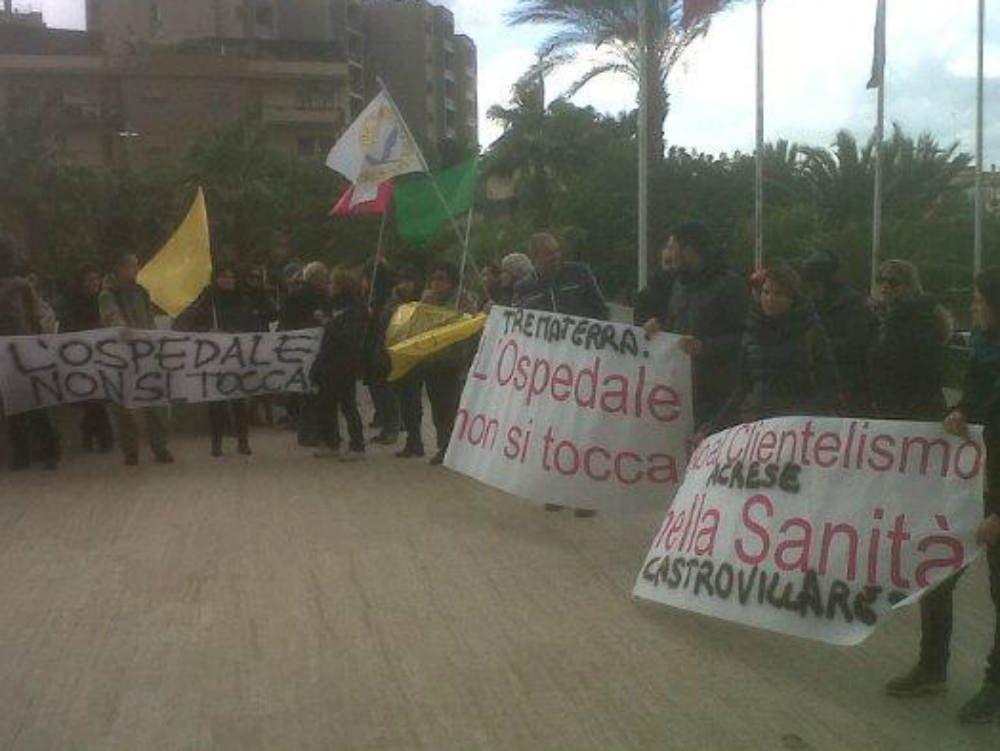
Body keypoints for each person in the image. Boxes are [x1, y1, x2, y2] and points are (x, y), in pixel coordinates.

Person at [922, 266, 1000, 724]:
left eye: (979, 299)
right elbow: (972, 398)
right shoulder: (984, 347)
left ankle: (995, 684)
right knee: (936, 571)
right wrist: (959, 411)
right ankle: (932, 665)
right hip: (974, 482)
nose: (972, 307)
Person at [706, 264, 839, 433]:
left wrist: (803, 418)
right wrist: (712, 427)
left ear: (793, 298)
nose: (770, 300)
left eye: (778, 294)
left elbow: (829, 384)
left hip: (796, 429)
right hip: (756, 427)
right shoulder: (751, 331)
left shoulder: (810, 331)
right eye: (766, 292)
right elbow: (742, 387)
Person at [658, 221, 750, 428]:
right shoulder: (679, 285)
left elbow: (748, 337)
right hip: (681, 395)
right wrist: (657, 333)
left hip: (719, 400)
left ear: (689, 250)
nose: (668, 253)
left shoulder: (728, 285)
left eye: (673, 247)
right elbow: (675, 331)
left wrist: (705, 348)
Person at [175, 261, 258, 457]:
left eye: (231, 277)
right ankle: (217, 442)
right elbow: (186, 324)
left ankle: (242, 441)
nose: (228, 280)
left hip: (238, 357)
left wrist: (242, 332)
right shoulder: (207, 300)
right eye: (224, 276)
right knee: (216, 403)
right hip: (215, 359)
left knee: (239, 401)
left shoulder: (243, 299)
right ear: (216, 279)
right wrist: (208, 331)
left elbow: (253, 324)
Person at [98, 252, 174, 466]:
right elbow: (111, 317)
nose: (135, 271)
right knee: (125, 407)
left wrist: (152, 340)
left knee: (156, 404)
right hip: (122, 356)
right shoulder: (108, 294)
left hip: (146, 354)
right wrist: (123, 329)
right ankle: (130, 451)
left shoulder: (142, 292)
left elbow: (149, 320)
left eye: (136, 266)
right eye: (130, 267)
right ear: (119, 269)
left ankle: (160, 446)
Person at [398, 261, 477, 466]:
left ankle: (452, 448)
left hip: (452, 360)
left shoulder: (463, 300)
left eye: (441, 279)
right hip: (432, 360)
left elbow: (465, 327)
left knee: (449, 406)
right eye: (433, 278)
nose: (436, 283)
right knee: (437, 408)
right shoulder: (428, 300)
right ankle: (444, 445)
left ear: (451, 281)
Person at [0, 242, 61, 471]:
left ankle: (42, 452)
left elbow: (39, 314)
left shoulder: (21, 287)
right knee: (18, 406)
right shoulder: (21, 286)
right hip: (15, 350)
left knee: (30, 404)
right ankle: (31, 453)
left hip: (23, 348)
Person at [869, 259, 951, 421]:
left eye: (892, 282)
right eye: (880, 280)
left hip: (913, 412)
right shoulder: (877, 318)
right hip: (885, 407)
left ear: (909, 286)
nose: (885, 286)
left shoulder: (921, 321)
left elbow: (928, 373)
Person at [801, 250, 878, 415]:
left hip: (849, 386)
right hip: (817, 386)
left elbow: (858, 345)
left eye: (815, 285)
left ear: (828, 282)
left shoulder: (854, 305)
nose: (811, 290)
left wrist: (816, 345)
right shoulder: (808, 306)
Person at [310, 267, 368, 461]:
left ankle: (357, 445)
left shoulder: (356, 309)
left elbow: (347, 336)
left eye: (333, 283)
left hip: (344, 363)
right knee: (326, 405)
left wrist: (327, 322)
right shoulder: (333, 305)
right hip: (328, 362)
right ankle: (331, 442)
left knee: (348, 405)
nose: (329, 287)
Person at [61, 265, 114, 453]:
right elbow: (68, 328)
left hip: (101, 358)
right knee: (93, 400)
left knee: (96, 399)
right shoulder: (73, 304)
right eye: (90, 280)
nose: (95, 283)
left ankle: (90, 434)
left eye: (96, 279)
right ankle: (104, 438)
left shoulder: (104, 300)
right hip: (81, 358)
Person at [280, 261, 332, 447]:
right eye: (323, 276)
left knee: (308, 391)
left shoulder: (296, 294)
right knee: (313, 392)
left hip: (304, 346)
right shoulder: (313, 295)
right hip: (311, 346)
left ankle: (307, 431)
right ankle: (312, 432)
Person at [513, 233, 609, 320]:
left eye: (557, 251)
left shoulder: (579, 272)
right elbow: (517, 320)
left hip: (578, 336)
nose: (556, 256)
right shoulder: (522, 287)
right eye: (548, 253)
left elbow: (601, 310)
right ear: (534, 257)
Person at [391, 267, 428, 459]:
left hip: (415, 357)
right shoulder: (394, 302)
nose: (404, 286)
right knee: (405, 401)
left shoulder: (421, 303)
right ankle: (413, 440)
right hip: (399, 355)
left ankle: (415, 440)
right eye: (401, 282)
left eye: (407, 282)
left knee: (411, 400)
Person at [634, 237, 676, 328]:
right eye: (668, 248)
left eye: (674, 248)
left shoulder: (692, 291)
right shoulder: (651, 287)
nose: (669, 253)